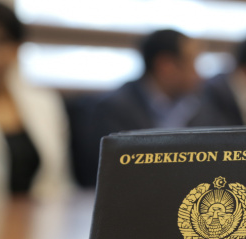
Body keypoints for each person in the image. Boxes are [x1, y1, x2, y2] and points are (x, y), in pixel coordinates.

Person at [0, 2, 73, 197]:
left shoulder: (46, 103)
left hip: (42, 214)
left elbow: (61, 180)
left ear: (17, 46)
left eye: (0, 42)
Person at [79, 29, 200, 186]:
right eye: (192, 63)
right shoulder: (114, 110)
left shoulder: (197, 106)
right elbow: (112, 177)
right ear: (166, 66)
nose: (198, 75)